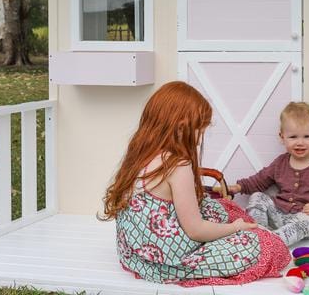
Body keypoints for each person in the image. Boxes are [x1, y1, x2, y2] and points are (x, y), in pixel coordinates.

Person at [99, 81, 290, 287]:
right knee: (270, 245)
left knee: (221, 208)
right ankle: (217, 247)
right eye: (200, 129)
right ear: (182, 126)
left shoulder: (140, 153)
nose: (200, 138)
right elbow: (195, 231)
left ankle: (231, 228)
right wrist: (235, 228)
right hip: (169, 258)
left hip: (136, 254)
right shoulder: (177, 165)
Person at [223, 102, 309, 246]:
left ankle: (272, 244)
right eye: (293, 137)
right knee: (257, 197)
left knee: (305, 221)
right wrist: (238, 187)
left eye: (306, 136)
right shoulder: (280, 163)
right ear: (282, 137)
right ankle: (257, 234)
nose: (300, 142)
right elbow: (259, 180)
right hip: (282, 214)